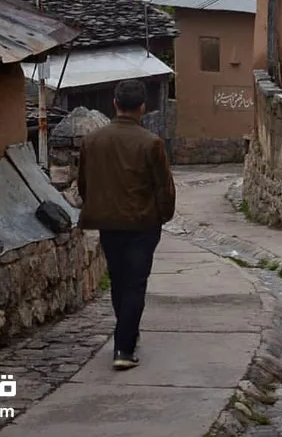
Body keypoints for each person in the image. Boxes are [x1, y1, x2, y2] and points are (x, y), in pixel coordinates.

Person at [77, 79, 176, 370]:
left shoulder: (92, 141)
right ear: (142, 107)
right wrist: (163, 215)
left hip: (108, 222)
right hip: (142, 223)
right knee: (134, 284)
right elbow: (164, 188)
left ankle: (126, 332)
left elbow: (84, 184)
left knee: (119, 281)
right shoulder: (151, 143)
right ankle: (124, 348)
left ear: (115, 104)